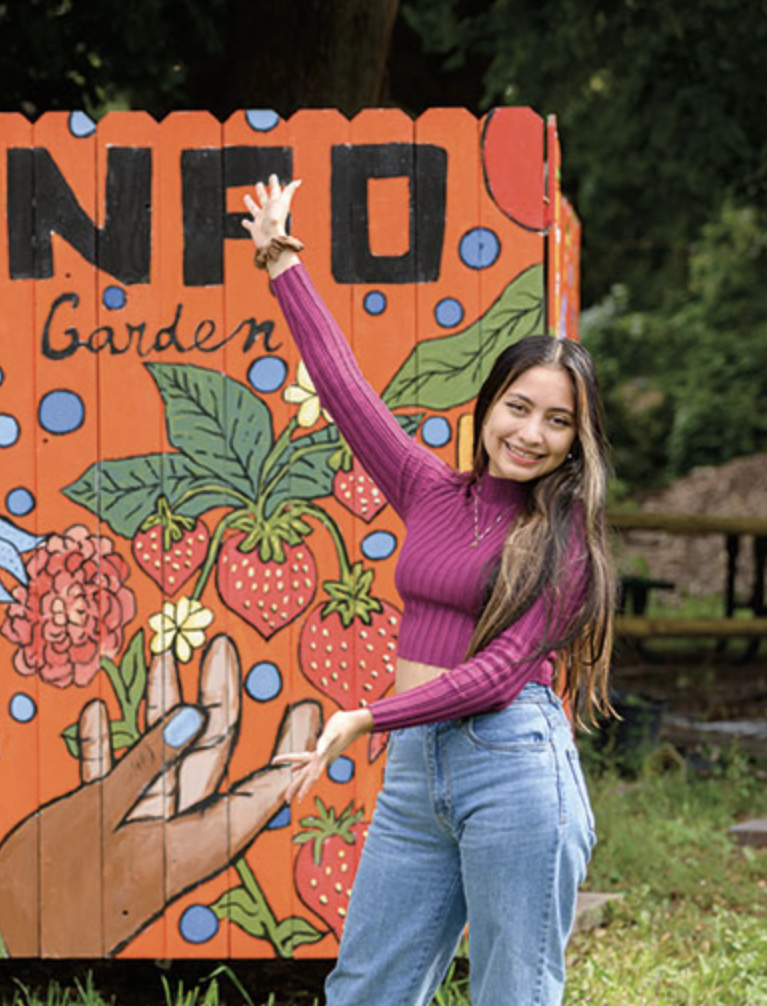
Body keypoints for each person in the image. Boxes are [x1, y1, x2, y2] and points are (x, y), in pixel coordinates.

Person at [245, 176, 615, 1006]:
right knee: (367, 989)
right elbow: (345, 391)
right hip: (418, 770)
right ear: (487, 407)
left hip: (512, 765)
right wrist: (280, 261)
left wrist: (364, 716)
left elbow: (496, 674)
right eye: (519, 407)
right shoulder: (429, 489)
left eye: (558, 422)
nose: (531, 433)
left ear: (576, 441)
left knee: (511, 993)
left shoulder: (566, 542)